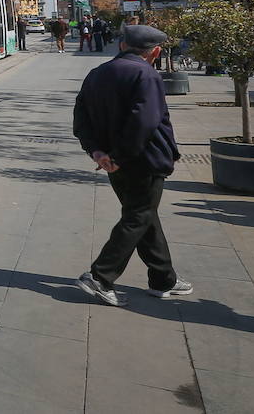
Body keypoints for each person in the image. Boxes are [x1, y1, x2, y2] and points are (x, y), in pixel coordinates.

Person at [73, 24, 191, 306]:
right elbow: (145, 122)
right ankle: (100, 276)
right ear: (156, 52)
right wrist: (118, 156)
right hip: (143, 160)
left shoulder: (97, 73)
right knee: (138, 216)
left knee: (143, 215)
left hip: (114, 161)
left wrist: (98, 152)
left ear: (122, 46)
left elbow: (81, 117)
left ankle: (163, 278)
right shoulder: (146, 74)